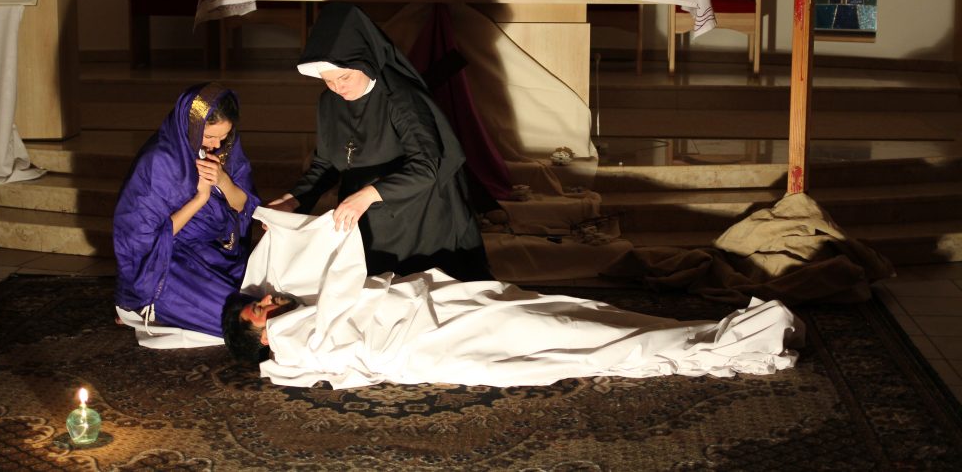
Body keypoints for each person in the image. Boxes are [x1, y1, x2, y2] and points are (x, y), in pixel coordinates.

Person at [223, 207, 803, 389]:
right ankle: (722, 342)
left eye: (261, 300)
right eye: (259, 309)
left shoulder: (292, 328)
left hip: (441, 318)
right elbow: (340, 305)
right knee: (572, 336)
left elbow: (326, 294)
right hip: (431, 339)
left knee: (569, 315)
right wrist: (339, 230)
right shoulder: (292, 341)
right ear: (259, 334)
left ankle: (703, 333)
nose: (269, 302)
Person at [266, 2, 489, 280]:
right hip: (365, 212)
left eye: (344, 77)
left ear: (365, 62)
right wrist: (292, 201)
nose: (337, 88)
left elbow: (428, 167)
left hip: (418, 216)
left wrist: (368, 195)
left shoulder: (401, 99)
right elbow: (325, 163)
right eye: (328, 81)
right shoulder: (329, 103)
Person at [114, 82, 261, 338]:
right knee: (238, 317)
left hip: (218, 251)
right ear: (192, 126)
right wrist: (200, 198)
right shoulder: (160, 161)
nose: (216, 144)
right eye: (209, 137)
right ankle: (143, 306)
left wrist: (223, 180)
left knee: (260, 290)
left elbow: (244, 207)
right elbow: (140, 239)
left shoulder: (227, 149)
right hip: (169, 260)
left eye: (223, 135)